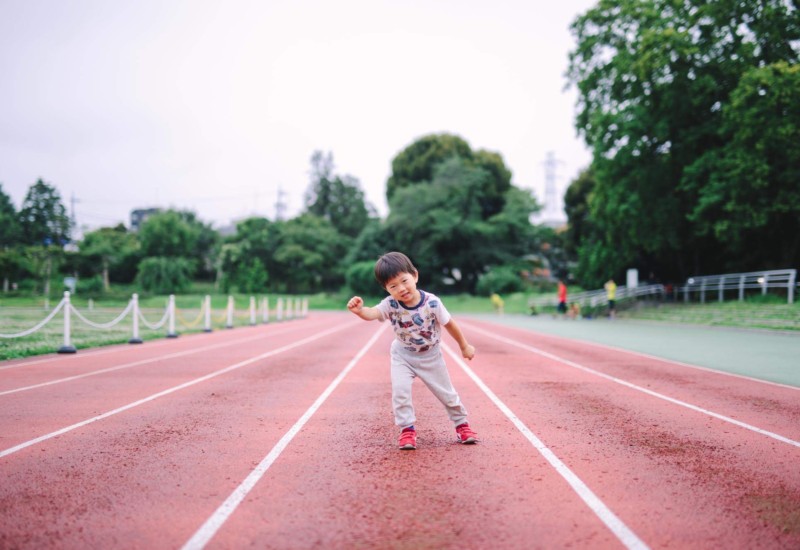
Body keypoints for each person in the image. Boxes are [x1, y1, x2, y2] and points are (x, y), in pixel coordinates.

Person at [347, 251, 478, 450]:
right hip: (403, 356)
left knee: (447, 394)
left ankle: (462, 425)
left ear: (415, 275)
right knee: (400, 392)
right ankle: (407, 430)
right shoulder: (390, 304)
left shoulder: (432, 302)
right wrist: (360, 311)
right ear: (386, 289)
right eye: (393, 286)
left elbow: (450, 324)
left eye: (404, 281)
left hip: (431, 356)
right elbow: (373, 312)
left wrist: (464, 346)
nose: (401, 288)